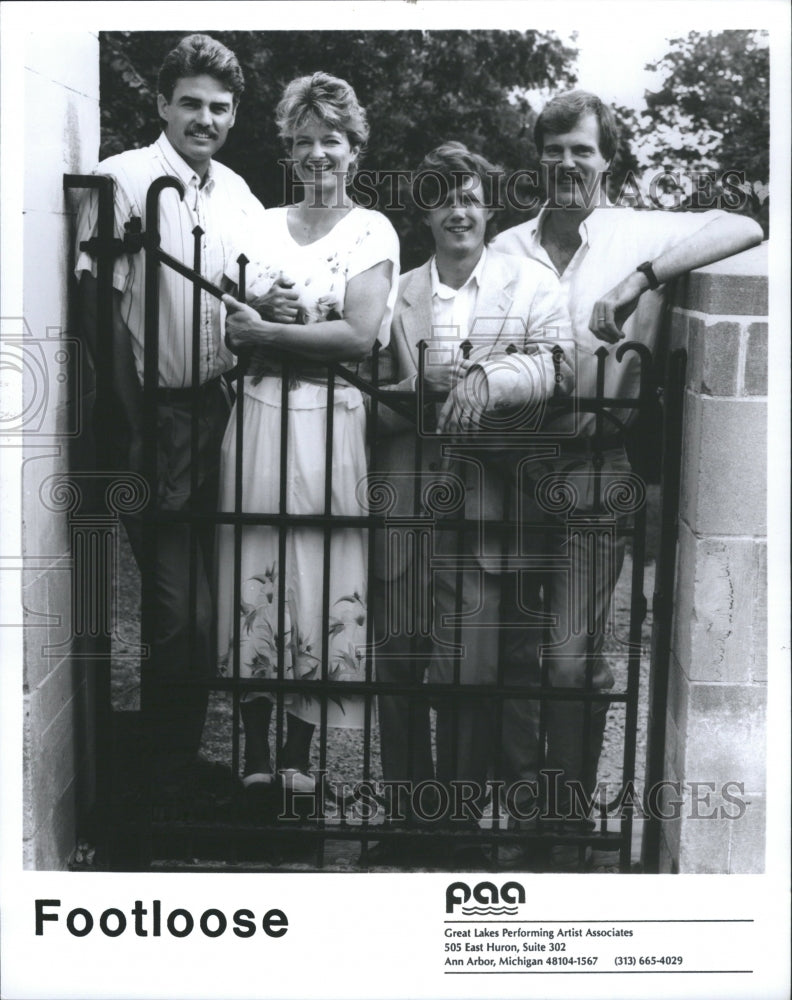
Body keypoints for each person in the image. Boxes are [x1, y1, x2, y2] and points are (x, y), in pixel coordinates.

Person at [491, 90, 763, 854]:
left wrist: (642, 278)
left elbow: (746, 224)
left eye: (581, 149)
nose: (566, 164)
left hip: (593, 463)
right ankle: (523, 816)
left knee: (572, 654)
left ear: (607, 158)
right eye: (552, 149)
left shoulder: (636, 230)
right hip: (513, 465)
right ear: (537, 157)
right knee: (515, 645)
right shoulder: (507, 248)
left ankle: (568, 816)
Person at [369, 141, 574, 862]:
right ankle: (403, 821)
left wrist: (488, 379)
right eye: (443, 196)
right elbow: (364, 383)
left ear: (490, 206)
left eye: (471, 196)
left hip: (490, 495)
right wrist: (412, 392)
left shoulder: (530, 283)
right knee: (395, 660)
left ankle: (454, 823)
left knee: (473, 669)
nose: (459, 209)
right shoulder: (398, 290)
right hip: (404, 489)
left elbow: (558, 366)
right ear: (424, 210)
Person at [75, 34, 267, 797]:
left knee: (213, 604)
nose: (205, 118)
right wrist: (128, 418)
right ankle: (159, 779)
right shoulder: (122, 178)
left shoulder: (239, 194)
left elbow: (251, 292)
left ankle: (178, 765)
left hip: (222, 407)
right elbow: (99, 304)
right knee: (176, 606)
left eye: (219, 107)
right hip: (152, 413)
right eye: (190, 102)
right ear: (161, 104)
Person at [217, 73, 399, 797]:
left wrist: (269, 331)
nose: (319, 155)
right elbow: (230, 330)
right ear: (289, 150)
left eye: (333, 140)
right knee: (255, 559)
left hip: (331, 418)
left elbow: (358, 334)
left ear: (354, 149)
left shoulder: (370, 230)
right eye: (305, 142)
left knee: (320, 571)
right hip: (259, 409)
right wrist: (259, 314)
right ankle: (256, 754)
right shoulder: (258, 226)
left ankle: (298, 757)